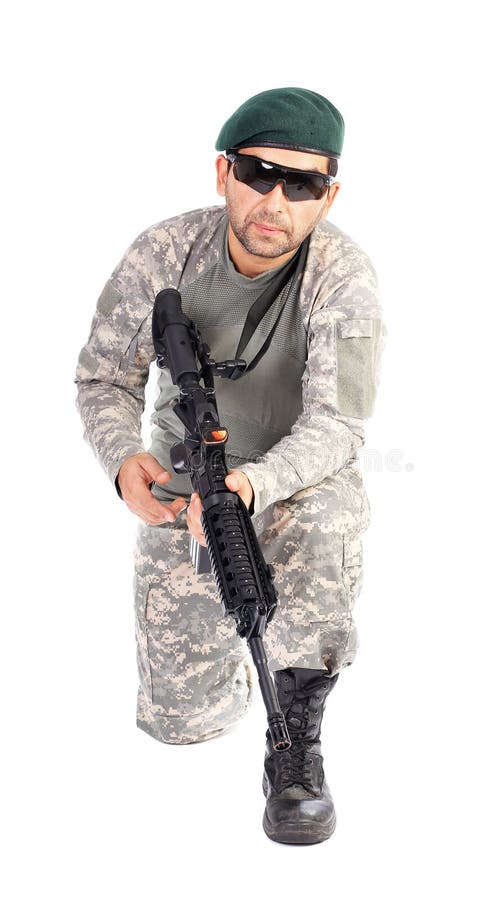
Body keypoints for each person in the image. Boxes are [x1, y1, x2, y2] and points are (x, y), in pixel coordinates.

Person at [75, 87, 385, 845]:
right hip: (185, 480)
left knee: (325, 520)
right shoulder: (165, 252)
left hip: (292, 475)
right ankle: (245, 670)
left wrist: (254, 485)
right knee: (184, 723)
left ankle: (296, 732)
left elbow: (339, 424)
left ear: (329, 195)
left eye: (303, 184)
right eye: (258, 174)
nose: (276, 201)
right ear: (224, 173)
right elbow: (103, 379)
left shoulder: (343, 276)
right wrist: (124, 462)